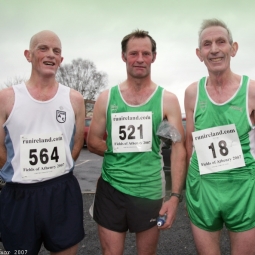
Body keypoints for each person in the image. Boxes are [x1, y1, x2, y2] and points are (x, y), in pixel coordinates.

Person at [87, 30, 186, 255]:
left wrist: (175, 197)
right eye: (133, 53)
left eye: (145, 53)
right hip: (112, 188)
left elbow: (179, 147)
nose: (140, 59)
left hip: (149, 191)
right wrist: (122, 151)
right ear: (124, 56)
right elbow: (92, 142)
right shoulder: (106, 98)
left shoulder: (167, 100)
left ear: (154, 56)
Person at [0, 30, 85, 254]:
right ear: (28, 55)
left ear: (61, 59)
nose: (51, 55)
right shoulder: (6, 98)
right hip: (18, 196)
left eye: (56, 51)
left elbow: (76, 145)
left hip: (62, 192)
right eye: (43, 48)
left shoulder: (74, 99)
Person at [185, 19, 255, 255]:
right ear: (199, 53)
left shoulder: (252, 91)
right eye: (207, 44)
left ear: (233, 48)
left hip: (243, 189)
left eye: (220, 42)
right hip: (203, 187)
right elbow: (189, 143)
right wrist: (187, 186)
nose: (214, 49)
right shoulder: (193, 92)